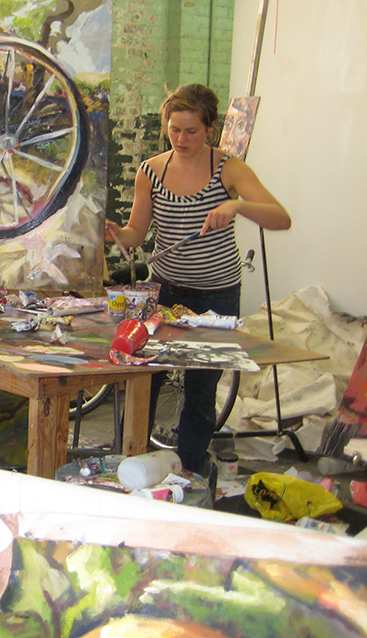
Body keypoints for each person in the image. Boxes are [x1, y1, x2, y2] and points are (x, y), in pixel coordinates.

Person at [105, 83, 291, 473]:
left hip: (216, 297)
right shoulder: (151, 171)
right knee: (146, 379)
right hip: (166, 293)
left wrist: (237, 205)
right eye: (174, 129)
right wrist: (117, 234)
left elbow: (281, 219)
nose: (182, 138)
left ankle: (187, 471)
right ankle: (129, 466)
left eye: (191, 131)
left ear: (209, 128)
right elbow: (137, 233)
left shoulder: (229, 169)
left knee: (201, 390)